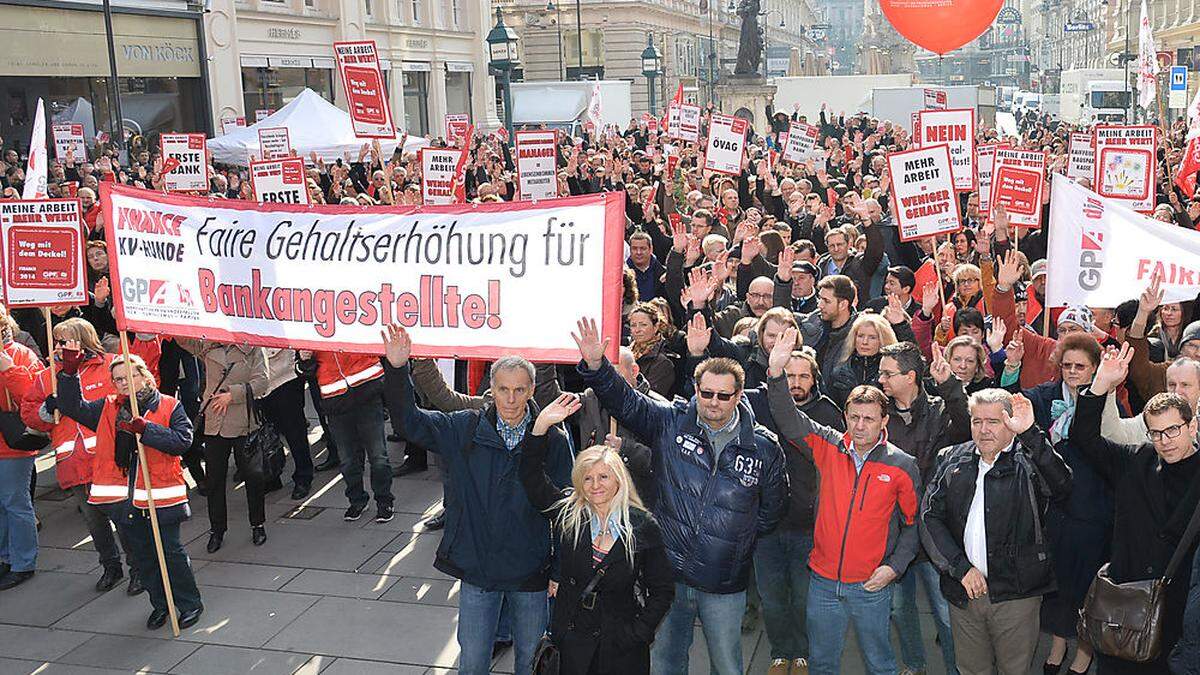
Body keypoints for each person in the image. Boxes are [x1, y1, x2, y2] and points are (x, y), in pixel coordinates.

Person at [573, 316, 788, 675]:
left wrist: (739, 540)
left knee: (727, 665)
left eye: (723, 395)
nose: (713, 402)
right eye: (706, 393)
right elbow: (627, 402)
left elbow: (772, 510)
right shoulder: (670, 421)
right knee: (667, 662)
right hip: (667, 577)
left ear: (739, 395)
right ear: (695, 388)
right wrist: (597, 366)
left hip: (723, 582)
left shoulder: (764, 448)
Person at [383, 324, 572, 675]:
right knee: (472, 663)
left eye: (519, 390)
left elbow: (566, 512)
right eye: (503, 390)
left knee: (532, 663)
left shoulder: (553, 439)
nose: (511, 400)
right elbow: (409, 422)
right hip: (478, 570)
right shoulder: (463, 428)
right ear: (492, 389)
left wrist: (559, 570)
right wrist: (396, 369)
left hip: (530, 574)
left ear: (531, 389)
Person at [765, 326, 921, 675]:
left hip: (871, 584)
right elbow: (790, 421)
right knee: (822, 664)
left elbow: (913, 525)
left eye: (869, 418)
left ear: (884, 420)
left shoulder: (901, 466)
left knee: (880, 664)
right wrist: (776, 373)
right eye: (854, 417)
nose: (861, 425)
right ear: (846, 417)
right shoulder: (829, 447)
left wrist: (892, 568)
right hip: (822, 582)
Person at [518, 393, 675, 674]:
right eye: (587, 478)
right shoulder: (570, 514)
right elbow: (531, 479)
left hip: (619, 648)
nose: (595, 485)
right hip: (571, 643)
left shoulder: (641, 525)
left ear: (618, 478)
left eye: (603, 476)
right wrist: (540, 427)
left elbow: (662, 590)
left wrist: (638, 633)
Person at [919, 388, 1071, 675]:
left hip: (1016, 594)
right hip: (965, 592)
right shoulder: (952, 459)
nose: (983, 430)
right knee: (971, 670)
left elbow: (1062, 484)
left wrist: (1030, 434)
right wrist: (960, 568)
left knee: (1014, 670)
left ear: (1010, 423)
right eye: (977, 421)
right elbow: (929, 519)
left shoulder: (1029, 460)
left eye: (993, 421)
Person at [1071, 344, 1200, 675]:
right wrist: (1100, 385)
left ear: (1192, 427)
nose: (1165, 440)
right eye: (1156, 433)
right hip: (1125, 608)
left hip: (1178, 610)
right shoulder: (1134, 461)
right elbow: (1084, 439)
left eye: (1173, 430)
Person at [54, 347, 203, 629]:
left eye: (128, 376)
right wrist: (69, 374)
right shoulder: (108, 407)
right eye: (118, 379)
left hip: (161, 498)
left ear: (144, 376)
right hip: (126, 502)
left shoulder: (170, 405)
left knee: (171, 554)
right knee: (144, 558)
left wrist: (146, 429)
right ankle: (160, 604)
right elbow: (73, 407)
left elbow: (183, 441)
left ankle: (189, 604)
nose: (122, 382)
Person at [22, 318, 147, 595]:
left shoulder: (111, 366)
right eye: (56, 341)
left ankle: (138, 568)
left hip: (110, 459)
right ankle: (111, 566)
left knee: (124, 519)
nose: (57, 346)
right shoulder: (47, 376)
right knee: (94, 521)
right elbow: (28, 413)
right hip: (75, 462)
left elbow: (136, 395)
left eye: (63, 340)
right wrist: (46, 410)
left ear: (83, 339)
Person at [876, 340, 970, 675]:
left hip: (933, 531)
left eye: (888, 374)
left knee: (946, 615)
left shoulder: (941, 409)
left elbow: (966, 425)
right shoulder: (879, 414)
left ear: (911, 376)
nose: (881, 380)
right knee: (900, 611)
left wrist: (949, 385)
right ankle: (914, 665)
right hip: (893, 531)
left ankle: (954, 670)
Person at [175, 338, 270, 552]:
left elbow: (262, 382)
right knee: (214, 480)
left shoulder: (253, 346)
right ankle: (217, 530)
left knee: (252, 476)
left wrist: (232, 395)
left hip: (243, 422)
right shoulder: (208, 344)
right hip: (215, 424)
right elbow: (182, 339)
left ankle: (257, 524)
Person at [300, 348, 393, 523]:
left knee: (378, 456)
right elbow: (305, 372)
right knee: (348, 459)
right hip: (336, 402)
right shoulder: (312, 330)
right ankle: (357, 500)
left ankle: (384, 500)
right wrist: (305, 360)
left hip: (367, 393)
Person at [0, 301, 43, 591]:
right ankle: (6, 557)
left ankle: (23, 562)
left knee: (15, 503)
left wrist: (8, 369)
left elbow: (33, 395)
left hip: (12, 444)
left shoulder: (21, 355)